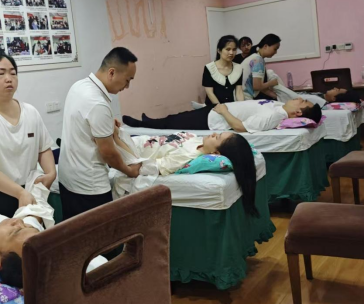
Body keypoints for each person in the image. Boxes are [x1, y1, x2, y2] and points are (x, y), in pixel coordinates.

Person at [0, 53, 56, 218]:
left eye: (13, 73)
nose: (9, 79)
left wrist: (51, 173)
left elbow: (43, 148)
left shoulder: (30, 112)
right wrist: (20, 193)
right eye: (1, 73)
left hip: (26, 191)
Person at [58, 47, 140, 221]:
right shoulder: (98, 103)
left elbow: (83, 122)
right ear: (112, 72)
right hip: (90, 187)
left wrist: (107, 125)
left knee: (74, 233)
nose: (127, 86)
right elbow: (108, 153)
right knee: (100, 235)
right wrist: (129, 171)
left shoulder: (79, 86)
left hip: (67, 180)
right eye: (127, 80)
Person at [113, 129, 259, 216]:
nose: (213, 133)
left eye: (217, 137)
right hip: (135, 140)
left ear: (216, 153)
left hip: (129, 149)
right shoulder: (196, 139)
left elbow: (141, 168)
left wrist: (117, 138)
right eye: (218, 133)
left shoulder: (186, 157)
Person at [123, 98, 322, 133]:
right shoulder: (279, 106)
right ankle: (149, 121)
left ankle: (141, 125)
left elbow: (241, 127)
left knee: (173, 123)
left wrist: (224, 112)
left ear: (298, 112)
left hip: (214, 119)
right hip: (214, 111)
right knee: (175, 117)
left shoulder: (275, 116)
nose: (299, 98)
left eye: (303, 101)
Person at [203, 35, 244, 106]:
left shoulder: (238, 68)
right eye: (228, 49)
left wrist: (243, 106)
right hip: (213, 107)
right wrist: (220, 108)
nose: (231, 53)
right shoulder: (209, 68)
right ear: (219, 50)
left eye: (234, 49)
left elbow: (239, 92)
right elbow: (210, 93)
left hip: (230, 106)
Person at [241, 34, 281, 100]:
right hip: (245, 97)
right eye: (275, 49)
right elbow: (257, 87)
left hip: (242, 96)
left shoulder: (254, 57)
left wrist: (278, 97)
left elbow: (260, 88)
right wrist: (272, 83)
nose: (276, 52)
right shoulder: (258, 60)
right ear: (265, 46)